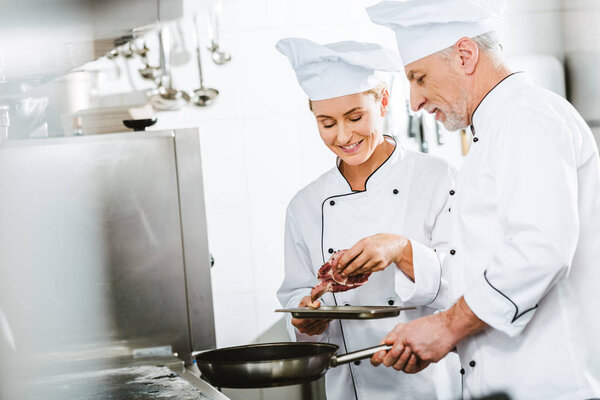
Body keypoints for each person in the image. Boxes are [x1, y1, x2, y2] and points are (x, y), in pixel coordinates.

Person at [329, 1, 600, 399]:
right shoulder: (493, 132)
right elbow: (484, 265)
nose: (415, 101)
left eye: (419, 78)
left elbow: (540, 248)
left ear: (465, 55)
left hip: (551, 384)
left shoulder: (526, 116)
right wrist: (440, 331)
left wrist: (446, 327)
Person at [275, 38, 461, 400]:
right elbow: (296, 296)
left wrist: (400, 249)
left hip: (430, 383)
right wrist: (305, 318)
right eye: (326, 123)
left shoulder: (438, 178)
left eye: (355, 117)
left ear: (384, 102)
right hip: (350, 386)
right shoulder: (305, 206)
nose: (343, 136)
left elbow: (465, 287)